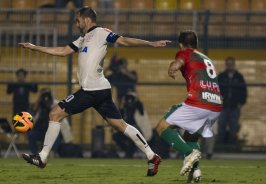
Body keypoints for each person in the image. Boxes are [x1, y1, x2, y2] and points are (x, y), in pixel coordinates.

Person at [18, 7, 170, 176]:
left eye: (78, 20)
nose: (76, 23)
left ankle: (42, 157)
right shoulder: (82, 39)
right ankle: (152, 155)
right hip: (99, 90)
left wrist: (150, 43)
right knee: (120, 125)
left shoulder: (100, 32)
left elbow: (124, 40)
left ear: (87, 19)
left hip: (92, 90)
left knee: (55, 114)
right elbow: (62, 51)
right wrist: (34, 47)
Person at [155, 30, 223, 183]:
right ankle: (196, 172)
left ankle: (189, 153)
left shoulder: (185, 53)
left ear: (181, 45)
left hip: (199, 103)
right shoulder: (206, 58)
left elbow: (178, 63)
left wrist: (172, 68)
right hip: (216, 105)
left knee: (162, 127)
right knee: (190, 136)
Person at [217, 57, 247, 145]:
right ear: (226, 65)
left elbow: (244, 91)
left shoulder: (239, 77)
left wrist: (240, 103)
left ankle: (232, 148)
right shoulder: (221, 76)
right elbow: (215, 90)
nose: (230, 66)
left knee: (233, 128)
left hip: (234, 107)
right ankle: (220, 147)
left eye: (231, 64)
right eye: (228, 64)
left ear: (234, 65)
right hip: (223, 107)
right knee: (221, 127)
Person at [112, 91, 145, 158]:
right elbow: (118, 115)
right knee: (116, 136)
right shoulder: (123, 106)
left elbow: (141, 112)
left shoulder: (135, 104)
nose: (129, 100)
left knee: (132, 138)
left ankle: (129, 153)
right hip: (124, 127)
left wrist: (138, 100)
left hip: (133, 126)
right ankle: (128, 151)